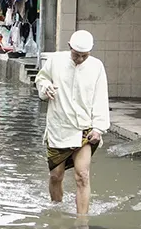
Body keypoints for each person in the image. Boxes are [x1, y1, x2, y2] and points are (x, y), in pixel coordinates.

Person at [34, 29, 110, 216]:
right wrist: (46, 88)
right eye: (76, 55)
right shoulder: (55, 61)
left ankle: (81, 222)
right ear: (69, 47)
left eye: (84, 56)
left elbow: (101, 97)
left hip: (85, 129)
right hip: (59, 127)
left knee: (82, 176)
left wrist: (99, 128)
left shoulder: (96, 67)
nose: (80, 59)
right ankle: (56, 211)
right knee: (55, 176)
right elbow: (41, 78)